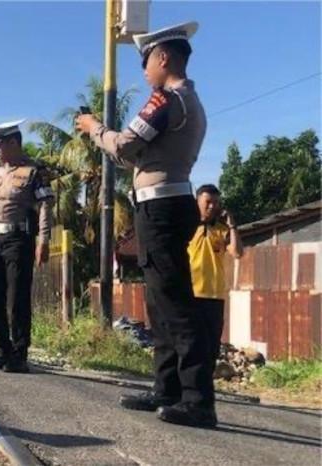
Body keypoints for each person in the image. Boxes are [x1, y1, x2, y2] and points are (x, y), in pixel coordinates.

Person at [76, 21, 217, 427]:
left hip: (162, 209)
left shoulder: (165, 100)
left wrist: (93, 128)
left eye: (146, 62)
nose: (144, 71)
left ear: (163, 57)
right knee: (159, 302)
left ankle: (198, 400)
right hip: (166, 205)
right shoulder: (189, 101)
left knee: (174, 303)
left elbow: (123, 146)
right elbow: (137, 156)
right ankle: (167, 388)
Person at [0, 120, 55, 373]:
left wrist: (44, 240)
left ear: (13, 142)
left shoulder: (35, 170)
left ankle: (19, 355)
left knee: (17, 297)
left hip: (19, 239)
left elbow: (45, 206)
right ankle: (4, 350)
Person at [189, 184, 243, 374]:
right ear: (197, 202)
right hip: (189, 294)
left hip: (214, 296)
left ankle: (205, 381)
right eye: (208, 202)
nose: (212, 206)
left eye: (216, 202)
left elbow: (237, 252)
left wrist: (232, 225)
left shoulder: (222, 230)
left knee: (211, 344)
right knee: (189, 342)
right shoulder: (187, 227)